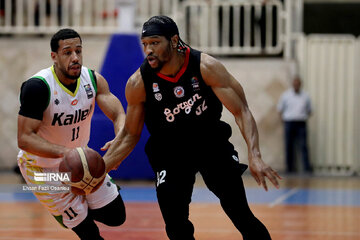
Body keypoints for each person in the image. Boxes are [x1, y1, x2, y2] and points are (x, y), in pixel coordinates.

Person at [104, 15, 281, 240]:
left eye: (155, 43)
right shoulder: (138, 83)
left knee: (240, 214)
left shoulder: (206, 66)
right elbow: (130, 134)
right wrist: (102, 167)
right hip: (169, 152)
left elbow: (242, 111)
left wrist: (254, 155)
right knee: (175, 225)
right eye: (145, 44)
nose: (149, 50)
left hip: (210, 144)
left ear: (174, 40)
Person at [17, 28, 126, 240]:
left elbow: (118, 113)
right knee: (89, 233)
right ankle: (74, 212)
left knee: (116, 216)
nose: (75, 57)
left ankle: (79, 207)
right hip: (42, 171)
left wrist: (120, 138)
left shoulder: (92, 80)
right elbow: (25, 138)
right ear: (54, 57)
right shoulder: (38, 87)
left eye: (78, 51)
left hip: (81, 165)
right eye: (67, 52)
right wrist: (67, 153)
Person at [277, 76, 312, 173]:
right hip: (289, 122)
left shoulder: (306, 96)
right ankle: (290, 168)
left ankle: (306, 168)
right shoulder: (286, 95)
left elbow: (309, 110)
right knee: (289, 146)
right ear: (293, 84)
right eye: (295, 83)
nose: (296, 85)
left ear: (300, 84)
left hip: (301, 122)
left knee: (303, 145)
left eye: (298, 83)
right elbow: (280, 109)